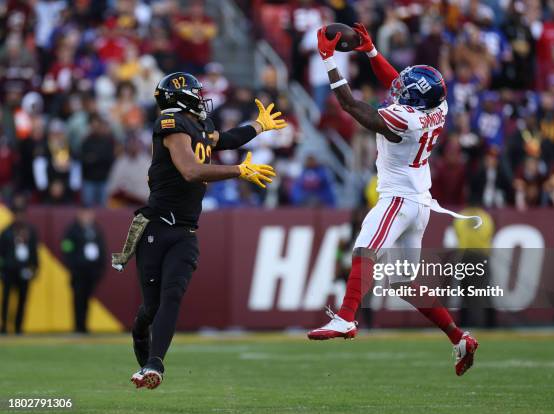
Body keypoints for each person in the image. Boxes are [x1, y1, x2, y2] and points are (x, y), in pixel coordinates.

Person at [307, 24, 481, 376]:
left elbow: (351, 106)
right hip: (419, 201)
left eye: (404, 89)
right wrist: (370, 51)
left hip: (399, 198)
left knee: (364, 247)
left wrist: (328, 59)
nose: (396, 89)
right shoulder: (439, 107)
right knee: (403, 281)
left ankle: (345, 317)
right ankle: (458, 337)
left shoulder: (405, 120)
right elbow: (395, 83)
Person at [111, 72, 286, 389]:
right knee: (151, 308)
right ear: (181, 97)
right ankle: (140, 334)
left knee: (172, 296)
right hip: (157, 226)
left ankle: (154, 364)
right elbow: (191, 170)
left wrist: (259, 126)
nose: (202, 98)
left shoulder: (200, 125)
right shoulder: (171, 123)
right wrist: (238, 170)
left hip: (185, 231)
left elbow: (224, 140)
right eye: (196, 92)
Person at [61, 207, 106, 333]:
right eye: (85, 214)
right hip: (78, 272)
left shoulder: (96, 229)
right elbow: (66, 248)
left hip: (91, 272)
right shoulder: (72, 230)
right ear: (79, 214)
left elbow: (102, 249)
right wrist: (72, 266)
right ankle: (78, 325)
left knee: (87, 299)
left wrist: (100, 268)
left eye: (89, 214)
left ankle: (84, 325)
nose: (87, 217)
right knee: (78, 299)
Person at [0, 195, 39, 334]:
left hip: (24, 270)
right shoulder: (6, 232)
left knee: (23, 300)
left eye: (22, 213)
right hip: (9, 270)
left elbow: (34, 252)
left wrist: (35, 268)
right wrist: (2, 270)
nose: (19, 216)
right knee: (6, 300)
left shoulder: (30, 232)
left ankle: (18, 326)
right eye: (17, 213)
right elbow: (1, 253)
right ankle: (4, 325)